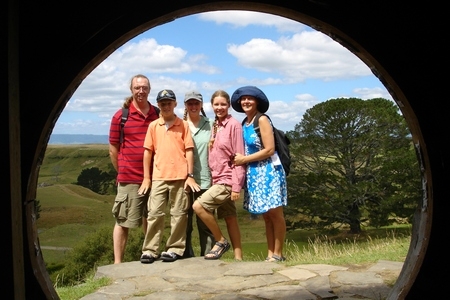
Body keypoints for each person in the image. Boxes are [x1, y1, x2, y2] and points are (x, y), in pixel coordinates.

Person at [139, 89, 200, 264]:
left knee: (179, 214)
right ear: (158, 105)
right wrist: (147, 178)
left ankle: (174, 248)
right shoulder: (153, 126)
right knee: (155, 213)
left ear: (175, 104)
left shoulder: (184, 125)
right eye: (163, 103)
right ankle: (150, 250)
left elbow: (189, 150)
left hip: (180, 176)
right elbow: (147, 152)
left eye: (169, 103)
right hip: (159, 176)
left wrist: (190, 175)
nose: (166, 106)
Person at [230, 85, 288, 262]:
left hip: (269, 171)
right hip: (255, 174)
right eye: (243, 99)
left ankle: (278, 254)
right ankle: (270, 254)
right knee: (267, 216)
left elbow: (270, 149)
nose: (246, 101)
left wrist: (244, 160)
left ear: (257, 102)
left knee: (276, 214)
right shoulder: (245, 123)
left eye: (250, 98)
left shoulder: (261, 120)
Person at [109, 74, 160, 264]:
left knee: (152, 218)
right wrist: (122, 170)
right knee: (124, 221)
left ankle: (149, 255)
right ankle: (117, 264)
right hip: (129, 178)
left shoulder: (157, 113)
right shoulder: (120, 116)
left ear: (149, 89)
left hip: (156, 177)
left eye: (144, 87)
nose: (141, 91)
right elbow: (113, 149)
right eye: (137, 87)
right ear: (131, 89)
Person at [192, 90, 246, 260]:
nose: (219, 107)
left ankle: (221, 241)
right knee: (230, 218)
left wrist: (236, 186)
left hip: (228, 181)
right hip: (218, 179)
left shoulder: (234, 125)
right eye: (216, 104)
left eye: (223, 104)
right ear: (212, 105)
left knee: (198, 206)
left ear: (229, 105)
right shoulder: (215, 125)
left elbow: (239, 156)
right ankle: (238, 258)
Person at [182, 90, 216, 257]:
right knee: (184, 221)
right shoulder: (179, 125)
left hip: (206, 179)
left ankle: (208, 255)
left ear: (201, 105)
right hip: (184, 180)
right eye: (190, 103)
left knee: (205, 221)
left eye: (196, 103)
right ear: (185, 105)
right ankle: (186, 255)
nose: (193, 106)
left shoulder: (211, 124)